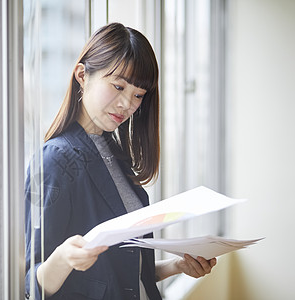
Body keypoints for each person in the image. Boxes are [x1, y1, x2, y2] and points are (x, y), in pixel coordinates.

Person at [25, 22, 216, 300]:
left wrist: (177, 265)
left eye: (138, 95)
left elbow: (123, 275)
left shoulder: (113, 154)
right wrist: (65, 258)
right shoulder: (56, 159)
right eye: (118, 86)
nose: (127, 104)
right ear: (82, 75)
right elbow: (32, 283)